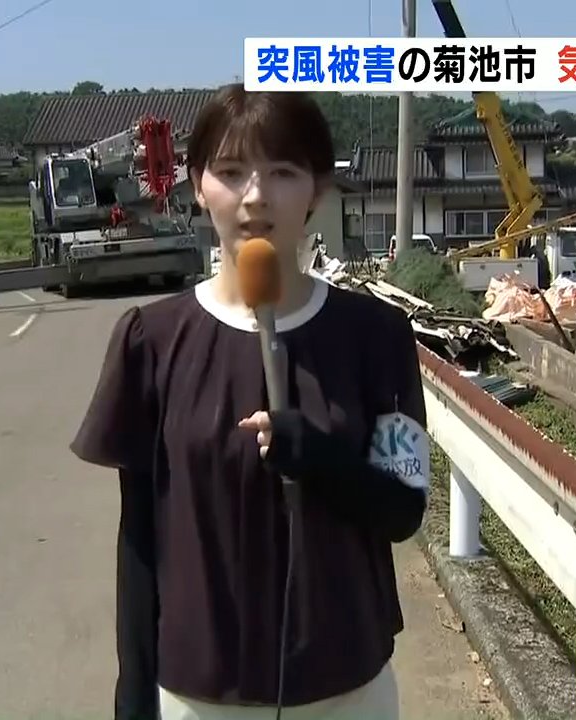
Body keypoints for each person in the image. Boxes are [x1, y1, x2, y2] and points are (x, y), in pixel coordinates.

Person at [70, 83, 428, 720]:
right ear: (197, 185)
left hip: (348, 687)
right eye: (231, 172)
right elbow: (140, 538)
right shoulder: (152, 341)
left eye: (283, 172)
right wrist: (133, 693)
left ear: (317, 189)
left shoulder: (376, 336)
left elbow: (403, 510)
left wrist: (323, 459)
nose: (256, 196)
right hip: (199, 694)